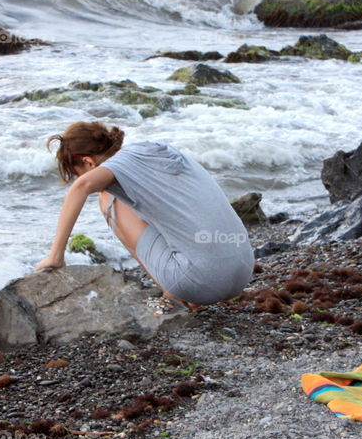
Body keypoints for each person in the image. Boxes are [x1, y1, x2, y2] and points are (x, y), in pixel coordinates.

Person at [35, 121, 255, 311]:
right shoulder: (156, 149)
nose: (78, 178)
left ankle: (172, 294)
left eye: (76, 172)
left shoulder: (116, 167)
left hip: (201, 282)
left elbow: (81, 187)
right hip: (244, 269)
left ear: (88, 162)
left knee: (107, 197)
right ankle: (181, 280)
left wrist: (56, 256)